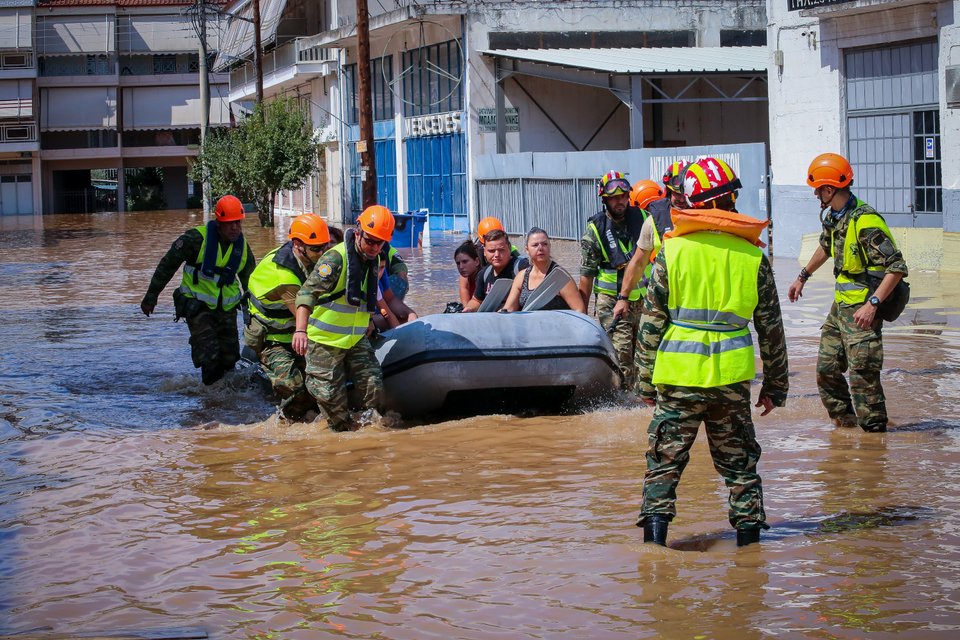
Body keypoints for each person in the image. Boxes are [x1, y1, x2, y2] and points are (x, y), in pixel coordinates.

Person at [635, 157, 789, 548]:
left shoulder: (673, 253)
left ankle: (655, 558)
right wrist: (776, 385)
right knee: (740, 469)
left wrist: (644, 381)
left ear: (692, 204)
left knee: (663, 466)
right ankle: (750, 561)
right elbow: (771, 330)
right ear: (730, 199)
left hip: (677, 377)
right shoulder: (754, 257)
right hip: (731, 382)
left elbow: (651, 324)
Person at [787, 153, 908, 433]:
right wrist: (802, 277)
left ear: (830, 190)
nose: (816, 194)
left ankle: (876, 442)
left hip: (863, 312)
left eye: (818, 189)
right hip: (840, 308)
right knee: (826, 369)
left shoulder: (866, 222)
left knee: (863, 377)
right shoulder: (835, 217)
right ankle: (845, 424)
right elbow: (827, 247)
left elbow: (897, 267)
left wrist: (873, 304)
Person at [292, 205, 395, 432]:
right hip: (324, 342)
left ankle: (375, 435)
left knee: (374, 388)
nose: (375, 247)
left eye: (381, 243)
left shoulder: (374, 259)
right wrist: (300, 331)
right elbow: (306, 294)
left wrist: (367, 321)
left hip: (355, 339)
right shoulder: (335, 259)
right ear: (358, 232)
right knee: (333, 406)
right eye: (370, 241)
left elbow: (365, 297)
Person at [141, 195, 256, 385]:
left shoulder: (242, 249)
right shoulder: (196, 239)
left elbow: (251, 285)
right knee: (209, 356)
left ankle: (228, 404)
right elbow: (168, 265)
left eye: (238, 223)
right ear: (219, 222)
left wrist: (254, 317)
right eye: (230, 224)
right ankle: (209, 402)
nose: (235, 228)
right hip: (197, 306)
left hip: (226, 309)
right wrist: (151, 297)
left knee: (229, 358)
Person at [245, 213, 331, 421]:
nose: (322, 253)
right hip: (273, 340)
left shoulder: (306, 259)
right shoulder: (285, 277)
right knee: (294, 387)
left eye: (324, 247)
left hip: (294, 335)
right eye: (316, 248)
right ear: (297, 245)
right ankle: (288, 425)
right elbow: (308, 315)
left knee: (318, 387)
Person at [579, 170, 649, 388]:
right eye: (614, 198)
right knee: (622, 355)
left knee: (646, 354)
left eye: (623, 196)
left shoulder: (644, 218)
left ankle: (644, 396)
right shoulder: (595, 230)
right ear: (605, 199)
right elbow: (586, 276)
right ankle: (624, 399)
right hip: (611, 303)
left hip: (642, 299)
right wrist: (581, 315)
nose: (620, 202)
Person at [614, 164, 689, 341]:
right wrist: (623, 298)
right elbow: (638, 262)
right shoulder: (654, 221)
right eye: (676, 193)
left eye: (684, 194)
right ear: (668, 191)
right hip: (663, 298)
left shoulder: (709, 218)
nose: (680, 199)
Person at [503, 227, 585, 313]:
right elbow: (509, 309)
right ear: (527, 249)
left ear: (550, 246)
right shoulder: (521, 277)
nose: (540, 248)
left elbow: (580, 310)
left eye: (544, 244)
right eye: (535, 245)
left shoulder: (560, 277)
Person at [463, 228, 528, 312]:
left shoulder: (522, 267)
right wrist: (469, 308)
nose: (496, 255)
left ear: (509, 249)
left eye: (501, 250)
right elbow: (477, 300)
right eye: (491, 251)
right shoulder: (484, 274)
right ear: (484, 252)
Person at [373, 259, 419, 332]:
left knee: (407, 319)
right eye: (376, 268)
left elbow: (389, 302)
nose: (378, 273)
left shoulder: (380, 274)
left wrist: (410, 313)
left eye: (381, 268)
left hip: (378, 310)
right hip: (362, 319)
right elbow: (386, 313)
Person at [454, 240, 482, 305]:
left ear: (476, 261)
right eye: (458, 263)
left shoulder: (484, 277)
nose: (461, 267)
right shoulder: (464, 276)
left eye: (465, 262)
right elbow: (465, 307)